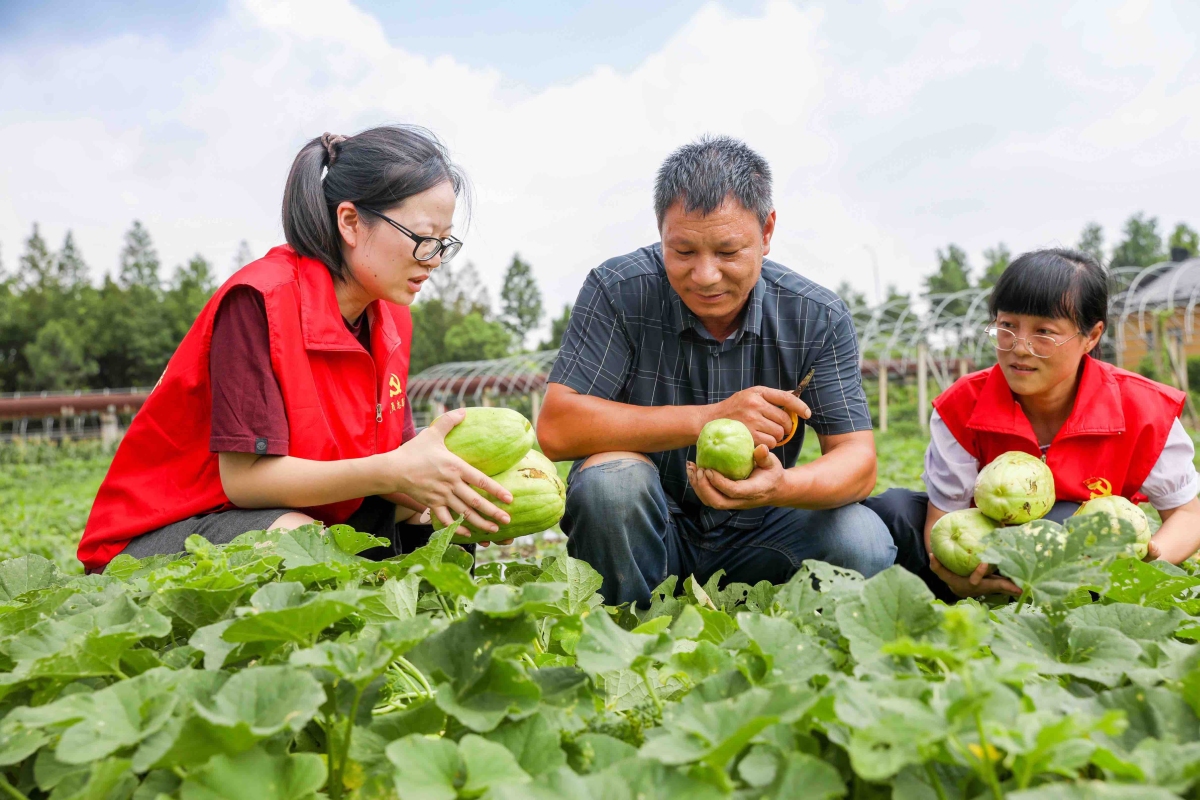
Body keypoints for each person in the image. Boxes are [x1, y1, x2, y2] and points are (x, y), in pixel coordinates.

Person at [78, 126, 512, 572]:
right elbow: (245, 482)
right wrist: (394, 471)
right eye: (423, 237)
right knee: (297, 543)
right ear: (349, 221)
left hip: (299, 516)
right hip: (167, 531)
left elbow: (391, 463)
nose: (434, 258)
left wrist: (466, 494)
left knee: (440, 519)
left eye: (444, 241)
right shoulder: (259, 300)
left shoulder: (392, 317)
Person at [537, 135, 895, 606]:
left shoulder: (816, 315)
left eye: (728, 252)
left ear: (766, 233)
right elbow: (558, 427)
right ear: (661, 230)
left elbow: (857, 462)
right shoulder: (618, 290)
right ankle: (630, 634)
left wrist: (780, 486)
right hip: (649, 528)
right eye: (683, 252)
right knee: (612, 485)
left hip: (763, 529)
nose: (705, 275)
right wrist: (711, 417)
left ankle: (776, 632)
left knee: (861, 539)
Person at [865, 248, 1200, 601]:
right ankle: (944, 604)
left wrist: (1147, 560)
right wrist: (955, 578)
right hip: (986, 562)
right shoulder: (962, 404)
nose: (1020, 348)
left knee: (1063, 519)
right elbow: (944, 519)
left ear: (1092, 335)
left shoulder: (1143, 407)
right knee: (896, 511)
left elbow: (1189, 513)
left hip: (1085, 569)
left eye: (1044, 332)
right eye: (1007, 326)